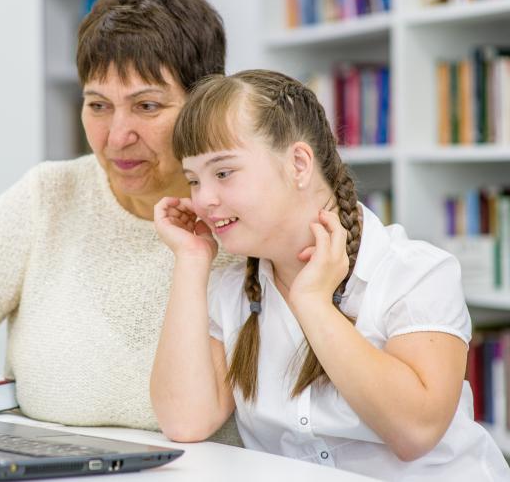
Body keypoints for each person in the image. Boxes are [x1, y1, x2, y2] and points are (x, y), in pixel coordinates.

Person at [151, 69, 510, 479]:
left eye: (223, 173)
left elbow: (416, 432)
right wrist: (191, 259)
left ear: (299, 164)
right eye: (194, 180)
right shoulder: (230, 287)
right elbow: (184, 421)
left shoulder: (415, 271)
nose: (204, 200)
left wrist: (312, 304)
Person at [0, 0, 242, 443]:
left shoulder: (242, 221)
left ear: (203, 106)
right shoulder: (50, 194)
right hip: (42, 466)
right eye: (97, 105)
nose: (116, 136)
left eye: (147, 106)